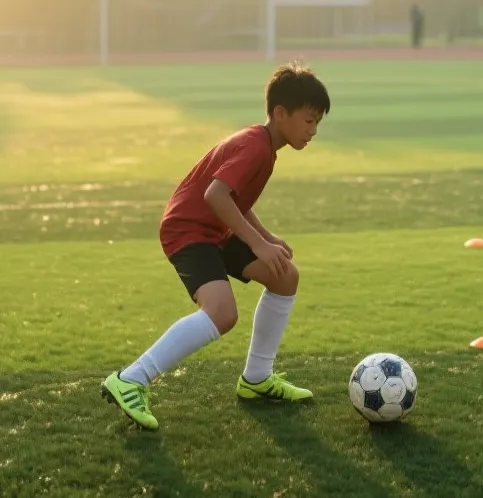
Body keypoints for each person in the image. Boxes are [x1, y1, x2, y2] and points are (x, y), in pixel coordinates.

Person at [102, 63, 331, 431]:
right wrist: (258, 244)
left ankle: (256, 378)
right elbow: (216, 195)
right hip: (189, 229)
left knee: (284, 276)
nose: (313, 130)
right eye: (308, 120)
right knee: (222, 313)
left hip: (216, 229)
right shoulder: (255, 147)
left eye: (317, 122)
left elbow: (235, 200)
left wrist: (267, 238)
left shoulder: (264, 147)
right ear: (280, 113)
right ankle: (131, 379)